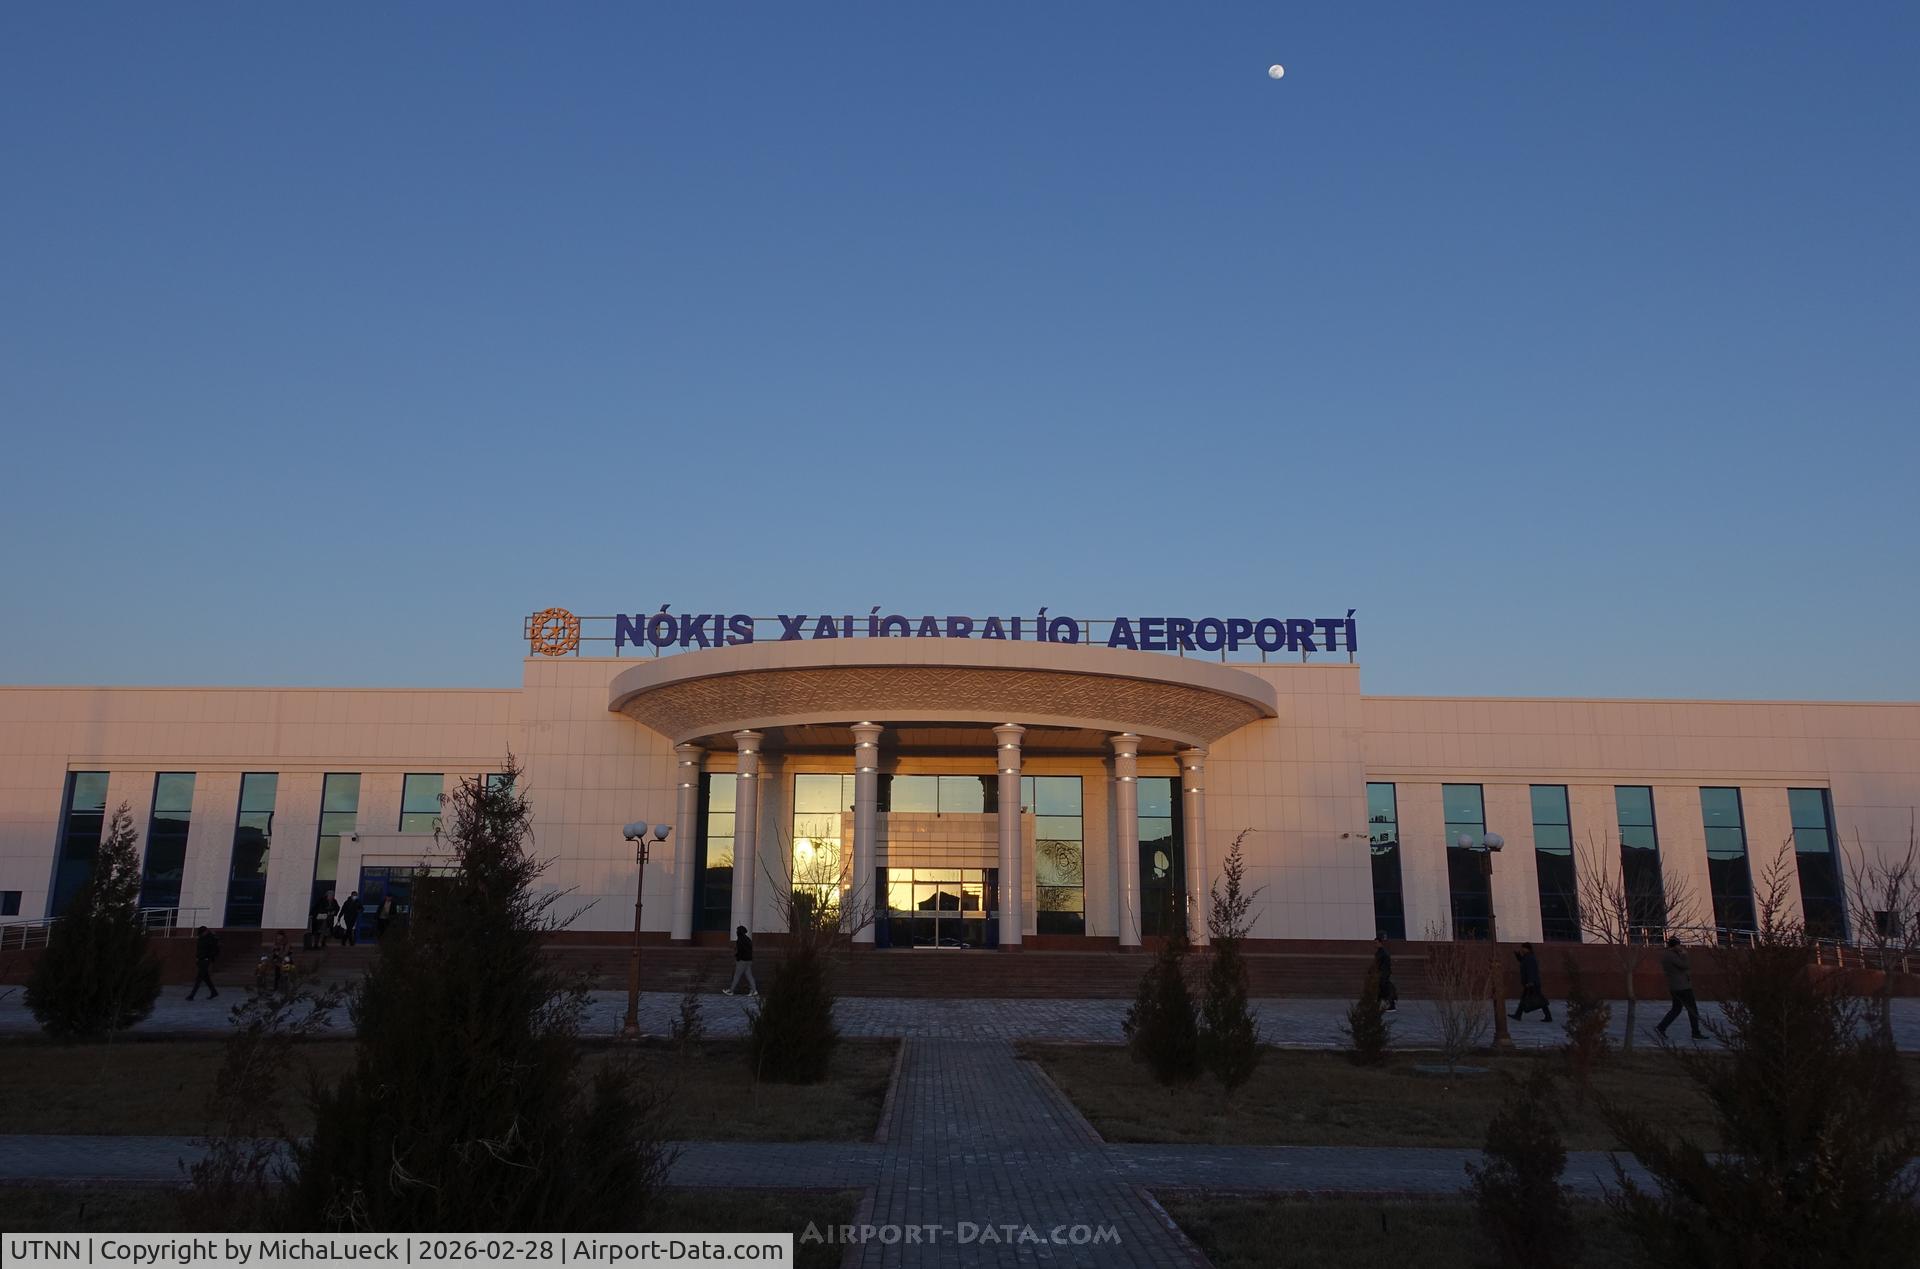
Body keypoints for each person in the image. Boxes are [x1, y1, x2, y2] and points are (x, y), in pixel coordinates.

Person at [1656, 935, 1706, 1040]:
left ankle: (1661, 1027)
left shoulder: (1668, 955)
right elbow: (1685, 965)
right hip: (1682, 987)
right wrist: (1684, 955)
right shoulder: (1672, 956)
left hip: (1675, 986)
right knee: (1692, 1009)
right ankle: (1695, 1032)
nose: (1681, 947)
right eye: (1679, 945)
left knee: (1676, 1009)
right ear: (1674, 945)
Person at [1511, 942, 1552, 1021]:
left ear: (1527, 949)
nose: (1522, 949)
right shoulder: (1527, 957)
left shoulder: (1530, 958)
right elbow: (1523, 961)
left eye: (1523, 948)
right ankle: (1518, 1015)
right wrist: (1518, 956)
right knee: (1531, 999)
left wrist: (1530, 982)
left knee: (1539, 999)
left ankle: (1548, 1016)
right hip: (1530, 982)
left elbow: (1531, 970)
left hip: (1532, 983)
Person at [186, 925, 221, 1000]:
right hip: (200, 960)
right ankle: (214, 992)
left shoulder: (211, 939)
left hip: (205, 960)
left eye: (202, 932)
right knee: (206, 978)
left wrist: (209, 957)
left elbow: (214, 950)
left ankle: (192, 995)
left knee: (199, 978)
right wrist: (197, 957)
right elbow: (199, 949)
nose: (201, 934)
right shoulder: (201, 938)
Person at [723, 924, 758, 997]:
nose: (736, 932)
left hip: (742, 960)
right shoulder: (748, 939)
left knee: (737, 976)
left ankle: (731, 991)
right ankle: (754, 990)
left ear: (739, 931)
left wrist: (737, 957)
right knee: (749, 976)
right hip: (749, 960)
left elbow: (740, 951)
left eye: (737, 930)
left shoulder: (740, 940)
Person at [1373, 935, 1397, 1011]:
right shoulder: (1379, 952)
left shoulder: (1384, 953)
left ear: (1380, 943)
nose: (1375, 944)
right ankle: (1378, 1004)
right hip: (1381, 974)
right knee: (1381, 990)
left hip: (1383, 974)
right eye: (1374, 943)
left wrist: (1383, 974)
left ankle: (1391, 1005)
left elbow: (1385, 965)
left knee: (1385, 990)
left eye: (1376, 943)